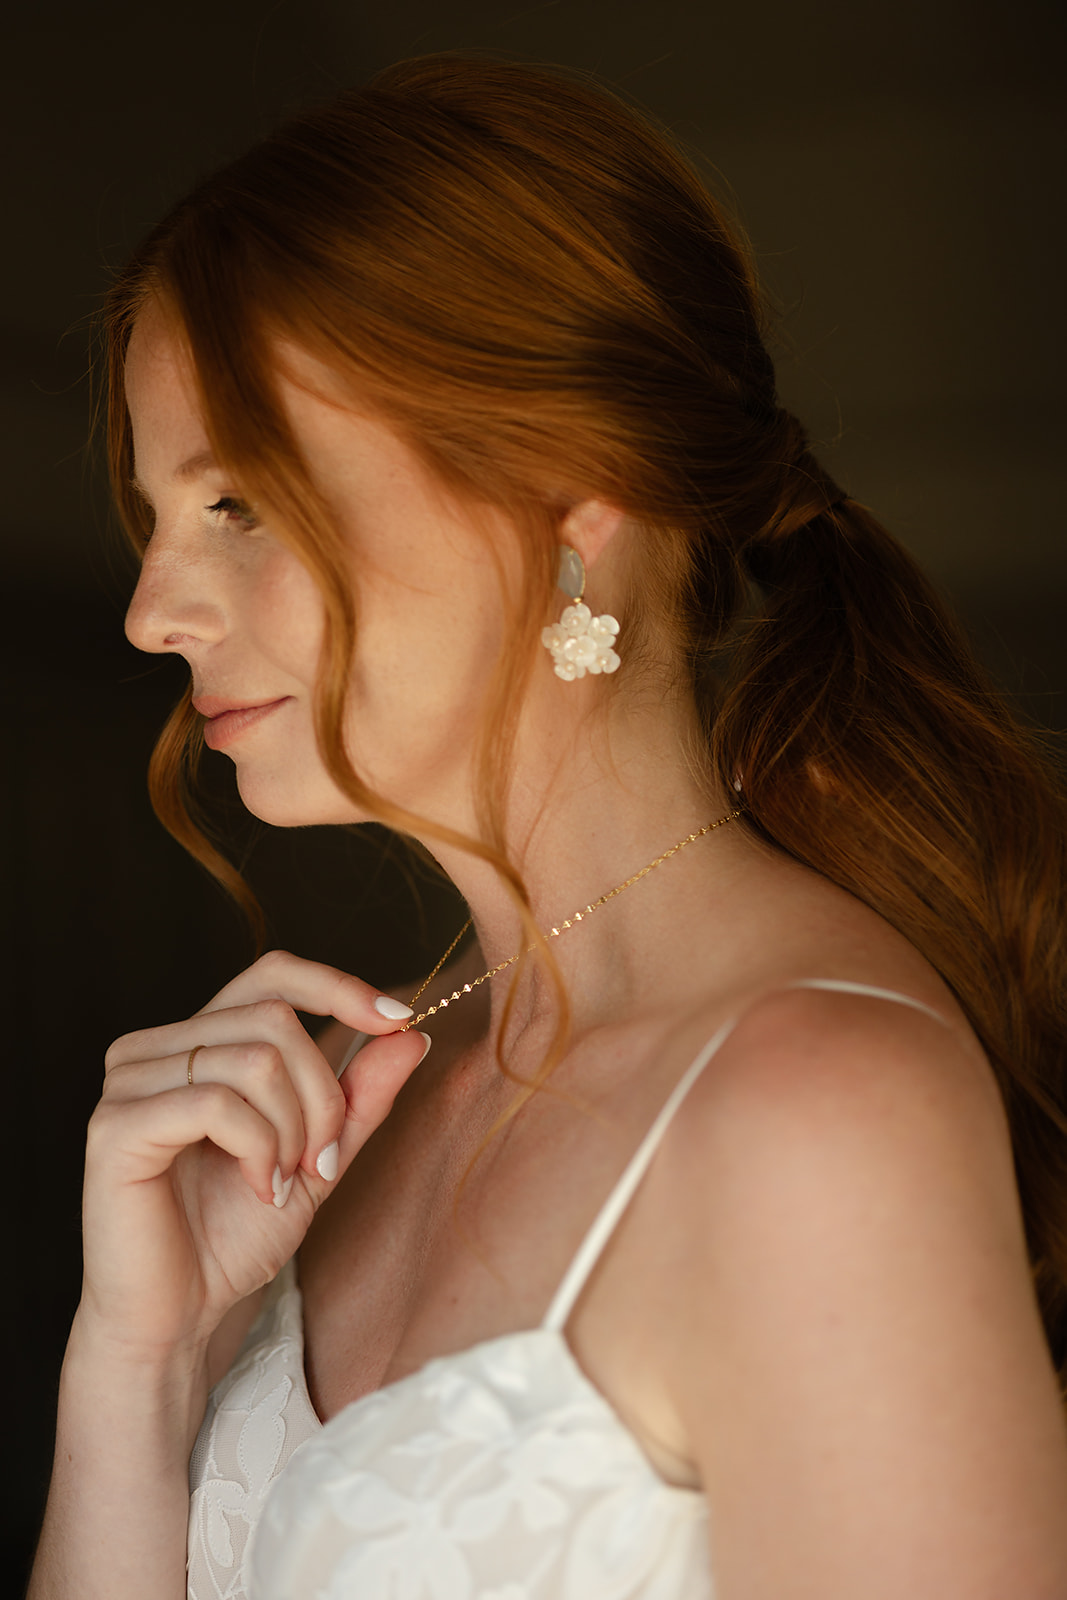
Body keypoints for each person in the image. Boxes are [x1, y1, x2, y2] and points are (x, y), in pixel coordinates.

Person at [28, 53, 1067, 1600]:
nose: (147, 614)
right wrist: (139, 1366)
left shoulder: (819, 1118)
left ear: (573, 497)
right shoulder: (365, 1107)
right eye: (157, 520)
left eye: (238, 504)